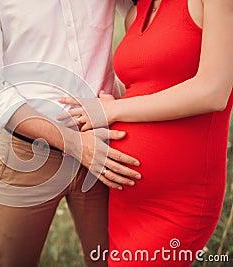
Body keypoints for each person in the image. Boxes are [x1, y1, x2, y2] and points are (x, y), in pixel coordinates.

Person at [0, 1, 142, 266]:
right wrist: (77, 144)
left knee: (111, 262)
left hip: (105, 141)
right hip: (28, 152)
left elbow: (147, 16)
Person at [58, 0, 233, 265]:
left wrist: (115, 111)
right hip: (124, 200)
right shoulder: (137, 11)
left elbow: (213, 92)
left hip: (178, 201)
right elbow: (150, 87)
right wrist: (111, 103)